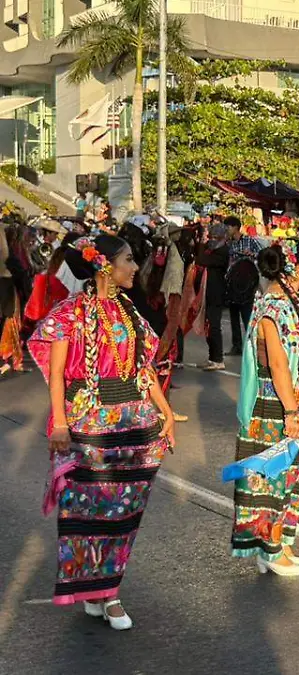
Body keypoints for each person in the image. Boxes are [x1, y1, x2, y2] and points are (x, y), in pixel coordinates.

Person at [27, 235, 176, 630]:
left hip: (131, 422)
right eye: (128, 260)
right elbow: (57, 373)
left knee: (122, 512)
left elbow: (144, 369)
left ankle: (108, 589)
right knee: (87, 511)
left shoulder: (129, 312)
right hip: (88, 423)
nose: (134, 268)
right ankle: (100, 591)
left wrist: (166, 412)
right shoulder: (71, 312)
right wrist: (59, 422)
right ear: (105, 264)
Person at [231, 238, 299, 576]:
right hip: (277, 406)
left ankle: (283, 541)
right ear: (297, 268)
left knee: (295, 477)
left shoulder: (291, 305)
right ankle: (270, 551)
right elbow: (277, 364)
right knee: (274, 480)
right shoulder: (271, 310)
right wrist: (291, 411)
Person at [225, 216, 262, 358]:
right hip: (232, 283)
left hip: (246, 284)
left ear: (235, 227)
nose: (227, 230)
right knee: (234, 316)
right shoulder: (228, 244)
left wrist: (251, 254)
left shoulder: (249, 241)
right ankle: (237, 346)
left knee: (247, 316)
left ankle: (251, 346)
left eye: (228, 227)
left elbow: (262, 253)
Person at [195, 220, 230, 370]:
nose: (212, 240)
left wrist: (202, 244)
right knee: (209, 326)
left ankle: (218, 359)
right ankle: (212, 357)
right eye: (211, 236)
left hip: (216, 294)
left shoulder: (222, 252)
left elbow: (202, 259)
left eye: (216, 237)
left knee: (214, 326)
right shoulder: (214, 250)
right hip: (207, 293)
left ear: (223, 238)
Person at [1, 225, 28, 374]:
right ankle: (11, 359)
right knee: (11, 325)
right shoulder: (11, 254)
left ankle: (9, 359)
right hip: (8, 292)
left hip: (9, 291)